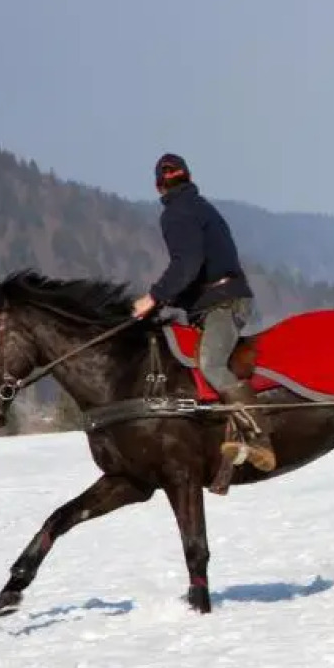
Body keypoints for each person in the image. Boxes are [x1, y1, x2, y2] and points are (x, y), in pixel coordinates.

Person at [130, 153, 276, 477]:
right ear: (188, 178)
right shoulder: (200, 207)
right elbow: (195, 272)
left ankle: (259, 437)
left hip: (223, 303)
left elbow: (187, 264)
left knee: (210, 363)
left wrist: (153, 298)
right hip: (218, 299)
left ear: (159, 187)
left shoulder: (177, 213)